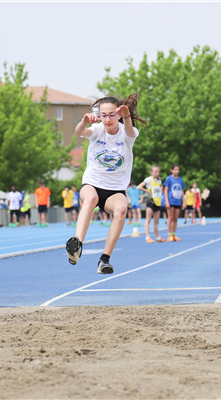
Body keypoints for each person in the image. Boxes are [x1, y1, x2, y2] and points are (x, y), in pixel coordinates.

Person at [65, 93, 147, 274]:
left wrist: (126, 117)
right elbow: (79, 132)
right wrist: (84, 121)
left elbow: (130, 131)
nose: (107, 119)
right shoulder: (97, 130)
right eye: (103, 115)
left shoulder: (127, 133)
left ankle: (104, 259)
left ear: (118, 114)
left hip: (115, 190)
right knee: (91, 198)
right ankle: (77, 243)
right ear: (99, 115)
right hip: (92, 183)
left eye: (111, 114)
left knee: (122, 209)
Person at [138, 166, 166, 243]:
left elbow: (161, 188)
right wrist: (147, 191)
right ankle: (147, 237)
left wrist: (161, 188)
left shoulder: (159, 180)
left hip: (157, 201)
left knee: (156, 221)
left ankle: (158, 237)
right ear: (151, 172)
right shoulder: (148, 179)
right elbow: (139, 187)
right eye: (155, 172)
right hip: (151, 201)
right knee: (148, 220)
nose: (157, 173)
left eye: (158, 172)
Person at [164, 164, 186, 241]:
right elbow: (166, 190)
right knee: (170, 218)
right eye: (175, 169)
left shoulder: (181, 179)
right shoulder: (169, 179)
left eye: (178, 170)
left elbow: (182, 191)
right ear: (172, 170)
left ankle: (174, 235)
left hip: (178, 201)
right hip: (171, 201)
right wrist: (166, 201)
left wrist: (184, 202)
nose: (177, 171)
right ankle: (169, 235)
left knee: (175, 218)